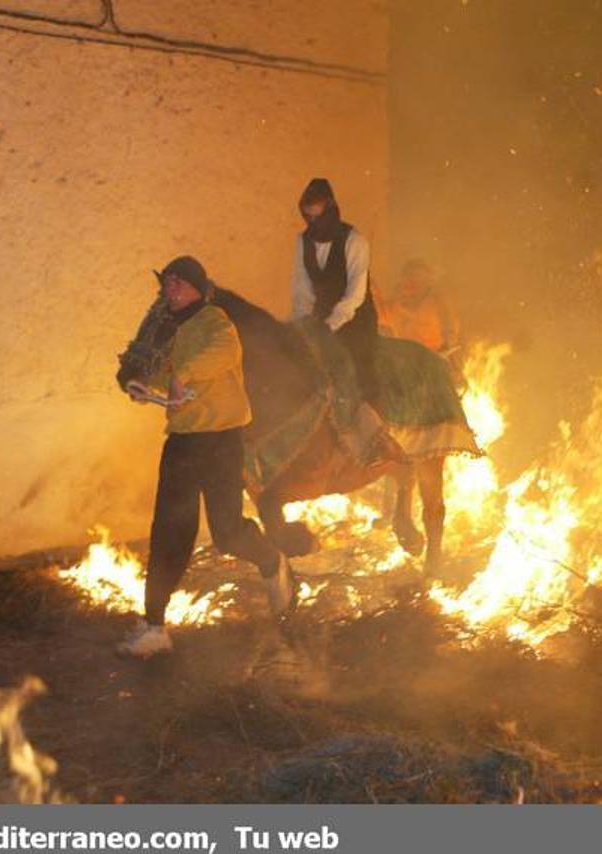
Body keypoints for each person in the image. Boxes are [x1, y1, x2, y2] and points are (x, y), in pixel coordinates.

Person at [118, 256, 296, 659]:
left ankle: (272, 561)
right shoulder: (173, 328)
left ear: (198, 287)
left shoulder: (217, 322)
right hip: (183, 441)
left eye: (178, 283)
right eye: (167, 284)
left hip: (220, 441)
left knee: (227, 533)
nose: (170, 290)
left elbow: (220, 353)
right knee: (169, 531)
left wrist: (182, 377)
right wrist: (144, 384)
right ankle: (154, 626)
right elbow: (168, 371)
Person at [289, 178, 381, 406]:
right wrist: (304, 323)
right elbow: (302, 289)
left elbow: (355, 295)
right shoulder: (303, 241)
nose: (312, 223)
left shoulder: (355, 241)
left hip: (355, 320)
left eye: (317, 217)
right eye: (307, 217)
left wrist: (329, 326)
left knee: (360, 371)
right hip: (320, 318)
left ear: (330, 210)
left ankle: (374, 419)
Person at [378, 259, 459, 357]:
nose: (413, 282)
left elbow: (448, 322)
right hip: (406, 358)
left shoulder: (437, 299)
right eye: (409, 276)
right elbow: (378, 315)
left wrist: (449, 342)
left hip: (433, 356)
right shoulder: (396, 304)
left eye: (418, 278)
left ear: (428, 281)